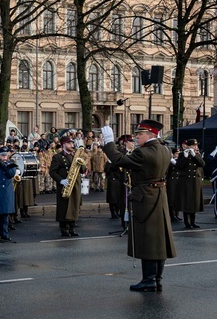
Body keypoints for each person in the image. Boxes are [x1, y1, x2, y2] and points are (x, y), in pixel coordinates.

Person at [100, 120, 176, 291]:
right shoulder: (165, 149)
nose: (136, 138)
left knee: (147, 240)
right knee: (159, 240)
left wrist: (109, 142)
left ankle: (149, 280)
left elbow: (119, 160)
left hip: (146, 198)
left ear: (150, 135)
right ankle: (156, 279)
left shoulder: (144, 152)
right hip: (159, 196)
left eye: (140, 134)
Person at [48, 136, 84, 237]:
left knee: (74, 206)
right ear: (64, 144)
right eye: (69, 143)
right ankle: (64, 228)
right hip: (65, 185)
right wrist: (60, 180)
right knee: (64, 207)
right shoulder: (57, 157)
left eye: (72, 143)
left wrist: (82, 161)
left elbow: (82, 170)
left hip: (75, 185)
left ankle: (72, 227)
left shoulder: (74, 156)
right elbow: (52, 172)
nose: (72, 145)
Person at [175, 138, 206, 229]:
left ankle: (193, 222)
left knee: (194, 201)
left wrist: (194, 156)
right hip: (186, 181)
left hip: (195, 181)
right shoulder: (182, 154)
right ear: (188, 146)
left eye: (195, 145)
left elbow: (202, 164)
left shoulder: (197, 155)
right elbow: (178, 166)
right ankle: (187, 223)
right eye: (193, 145)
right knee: (187, 202)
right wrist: (184, 157)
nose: (195, 147)